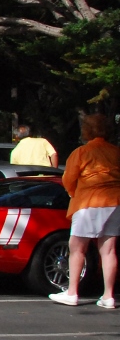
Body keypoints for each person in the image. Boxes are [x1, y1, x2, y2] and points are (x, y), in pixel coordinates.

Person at [51, 114, 120, 308]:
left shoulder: (82, 152)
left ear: (86, 130)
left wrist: (74, 194)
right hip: (115, 201)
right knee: (108, 249)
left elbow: (68, 179)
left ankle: (72, 291)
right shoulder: (116, 152)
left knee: (77, 247)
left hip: (89, 201)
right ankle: (108, 296)